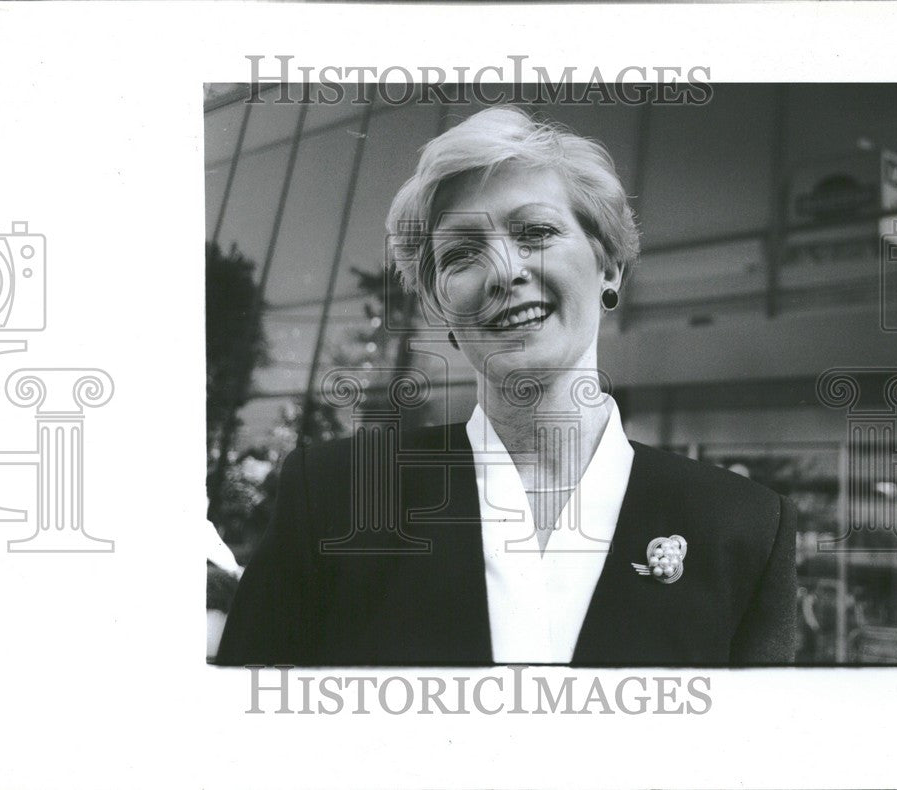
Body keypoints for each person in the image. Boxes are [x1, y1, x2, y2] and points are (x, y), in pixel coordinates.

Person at [215, 106, 797, 667]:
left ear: (610, 267)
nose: (504, 271)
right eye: (463, 253)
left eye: (536, 231)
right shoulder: (336, 499)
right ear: (439, 304)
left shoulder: (741, 525)